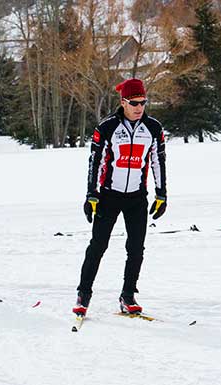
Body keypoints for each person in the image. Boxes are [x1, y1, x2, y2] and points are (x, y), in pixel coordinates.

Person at [73, 78, 167, 318]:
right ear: (123, 102)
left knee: (136, 248)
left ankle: (128, 295)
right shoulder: (107, 127)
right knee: (98, 246)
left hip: (137, 196)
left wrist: (161, 193)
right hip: (109, 196)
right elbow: (95, 162)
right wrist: (91, 195)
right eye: (134, 103)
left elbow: (158, 160)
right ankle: (83, 295)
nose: (139, 108)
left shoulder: (153, 128)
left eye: (143, 103)